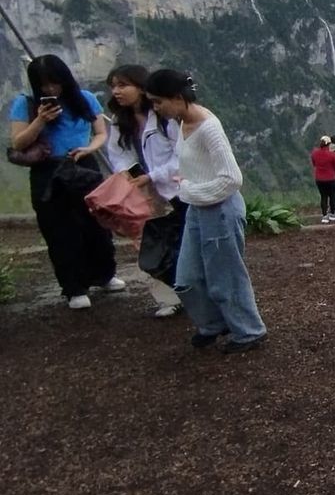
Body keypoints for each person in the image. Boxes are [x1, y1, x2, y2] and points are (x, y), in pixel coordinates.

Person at [145, 68, 267, 355]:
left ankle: (248, 331)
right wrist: (187, 187)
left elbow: (232, 179)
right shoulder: (181, 122)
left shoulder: (208, 128)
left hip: (220, 209)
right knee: (186, 277)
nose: (155, 108)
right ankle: (214, 323)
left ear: (176, 98)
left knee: (225, 276)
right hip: (198, 209)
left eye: (158, 101)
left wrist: (187, 191)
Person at [8, 53, 123, 309]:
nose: (50, 89)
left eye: (54, 82)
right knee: (59, 229)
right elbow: (18, 142)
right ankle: (73, 287)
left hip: (82, 164)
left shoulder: (85, 99)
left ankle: (104, 274)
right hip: (49, 170)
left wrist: (89, 149)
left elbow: (100, 132)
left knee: (97, 223)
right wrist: (40, 120)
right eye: (43, 85)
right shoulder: (24, 104)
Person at [105, 62, 184, 317]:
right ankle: (167, 298)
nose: (117, 91)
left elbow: (180, 154)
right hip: (143, 191)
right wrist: (131, 174)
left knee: (179, 240)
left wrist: (153, 176)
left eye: (123, 85)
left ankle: (189, 290)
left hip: (174, 189)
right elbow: (117, 152)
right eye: (113, 86)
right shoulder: (120, 121)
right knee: (150, 243)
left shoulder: (163, 117)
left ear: (141, 87)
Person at [311, 136, 335, 221]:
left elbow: (314, 163)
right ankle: (333, 213)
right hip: (331, 179)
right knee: (332, 196)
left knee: (323, 196)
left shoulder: (314, 153)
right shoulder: (332, 155)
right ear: (329, 144)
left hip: (319, 179)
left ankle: (324, 215)